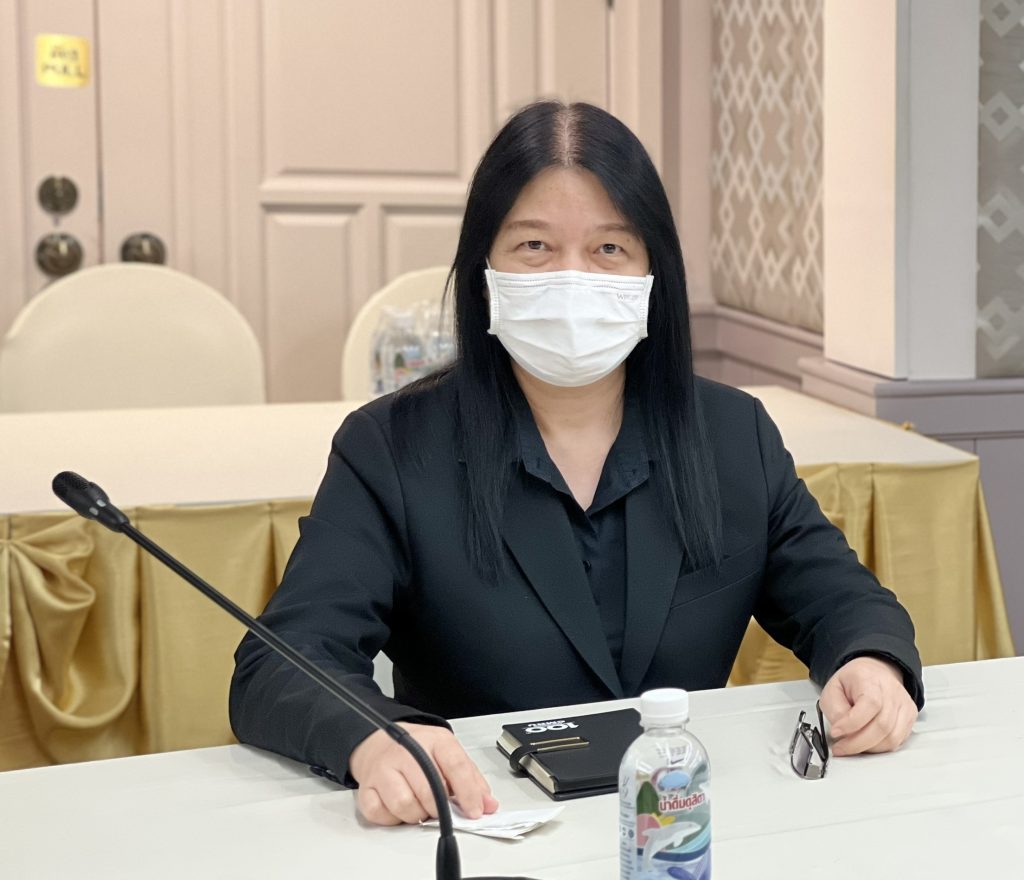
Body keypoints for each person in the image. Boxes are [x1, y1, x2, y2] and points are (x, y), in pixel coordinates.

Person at [230, 100, 923, 827]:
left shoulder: (730, 433)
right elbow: (282, 659)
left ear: (654, 273)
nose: (571, 278)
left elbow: (845, 602)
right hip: (484, 826)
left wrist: (871, 661)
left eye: (609, 249)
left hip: (686, 827)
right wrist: (374, 737)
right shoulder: (392, 448)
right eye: (534, 246)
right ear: (484, 269)